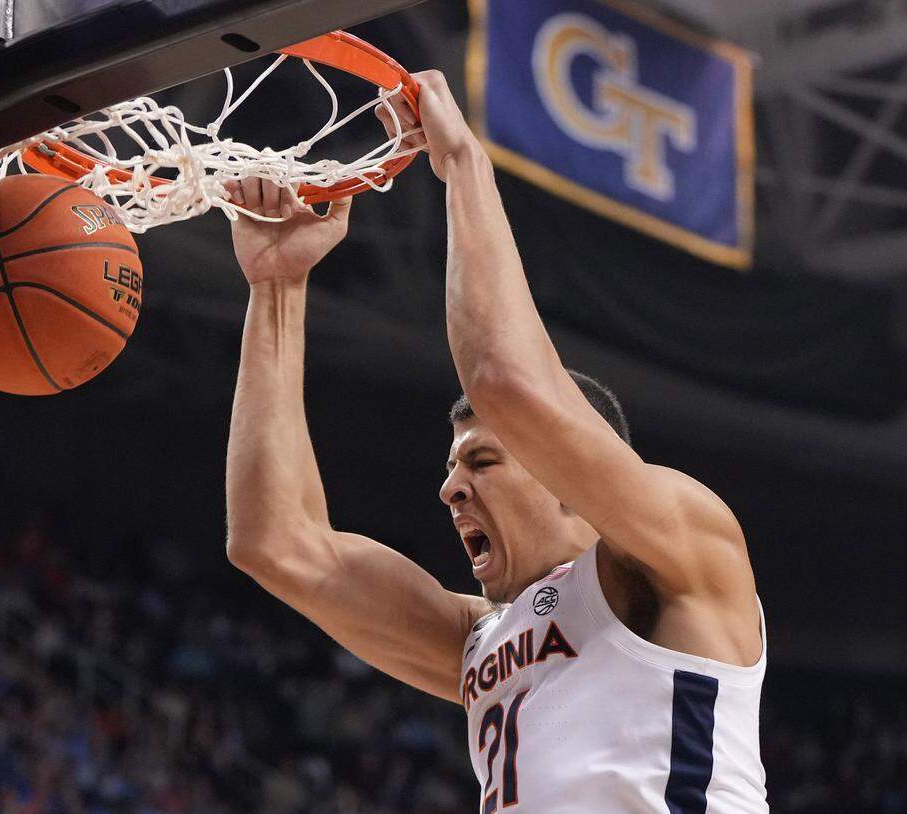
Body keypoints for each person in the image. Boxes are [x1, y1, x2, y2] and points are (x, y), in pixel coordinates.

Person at [223, 71, 767, 812]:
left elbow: (506, 383)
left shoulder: (686, 545)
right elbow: (276, 542)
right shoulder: (479, 639)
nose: (450, 489)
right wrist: (276, 290)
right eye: (454, 468)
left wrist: (462, 169)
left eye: (482, 460)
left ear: (567, 471)